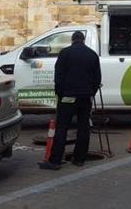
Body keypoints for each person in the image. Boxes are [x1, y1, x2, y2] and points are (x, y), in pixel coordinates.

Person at [39, 31, 101, 170]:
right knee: (83, 127)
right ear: (83, 40)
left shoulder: (65, 53)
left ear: (72, 40)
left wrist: (59, 94)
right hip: (85, 97)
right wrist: (91, 92)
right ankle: (79, 159)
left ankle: (55, 161)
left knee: (62, 128)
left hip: (67, 96)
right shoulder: (92, 55)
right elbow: (97, 78)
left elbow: (59, 75)